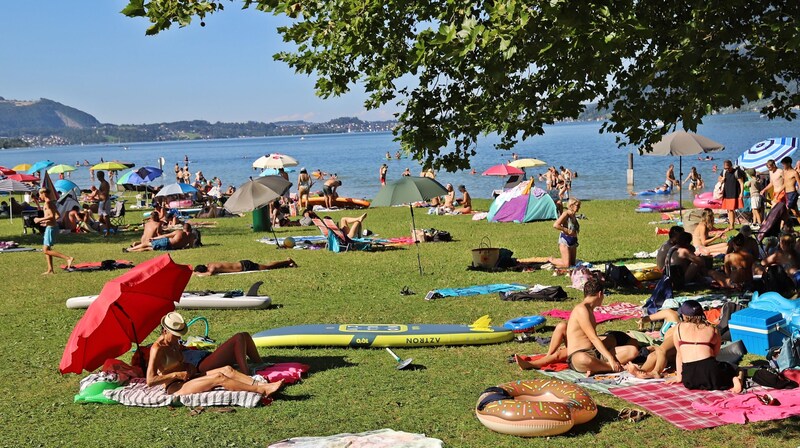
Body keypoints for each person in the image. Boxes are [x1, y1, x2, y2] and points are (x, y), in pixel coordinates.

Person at [144, 312, 283, 396]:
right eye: (175, 335)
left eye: (179, 335)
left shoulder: (175, 344)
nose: (178, 338)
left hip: (188, 376)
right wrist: (176, 375)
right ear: (164, 331)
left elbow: (179, 362)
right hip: (175, 386)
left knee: (227, 369)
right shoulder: (157, 349)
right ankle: (261, 390)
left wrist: (188, 367)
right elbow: (150, 381)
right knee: (219, 377)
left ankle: (260, 384)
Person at [668, 300, 745, 393]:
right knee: (736, 368)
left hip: (689, 378)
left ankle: (734, 378)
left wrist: (679, 377)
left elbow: (679, 355)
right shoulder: (712, 329)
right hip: (711, 373)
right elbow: (715, 354)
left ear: (684, 315)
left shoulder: (678, 328)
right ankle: (737, 379)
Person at [565, 279, 638, 375]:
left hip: (596, 353)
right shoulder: (581, 309)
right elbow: (593, 338)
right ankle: (610, 367)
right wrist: (611, 359)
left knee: (632, 351)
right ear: (600, 294)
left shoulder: (589, 309)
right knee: (583, 359)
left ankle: (598, 368)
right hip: (579, 354)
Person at [33, 189, 73, 274]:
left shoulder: (48, 203)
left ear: (43, 193)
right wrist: (45, 222)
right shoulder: (51, 203)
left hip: (51, 228)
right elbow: (57, 216)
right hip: (51, 226)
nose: (39, 196)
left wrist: (39, 219)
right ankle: (50, 270)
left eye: (40, 194)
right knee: (47, 249)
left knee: (45, 250)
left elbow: (51, 216)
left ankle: (68, 258)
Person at [548, 198, 581, 268]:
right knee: (567, 265)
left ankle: (562, 260)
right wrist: (567, 230)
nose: (579, 207)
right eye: (577, 206)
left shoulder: (573, 215)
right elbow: (556, 225)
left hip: (573, 241)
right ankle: (551, 260)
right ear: (571, 205)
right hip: (565, 240)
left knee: (572, 263)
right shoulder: (566, 214)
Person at [125, 223, 195, 252]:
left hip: (166, 243)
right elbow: (190, 246)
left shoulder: (179, 232)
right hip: (172, 248)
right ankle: (133, 250)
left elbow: (165, 236)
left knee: (146, 243)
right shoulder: (191, 236)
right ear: (190, 229)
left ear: (183, 228)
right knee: (148, 249)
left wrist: (154, 238)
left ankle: (130, 249)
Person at [193, 259, 298, 276]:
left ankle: (288, 261)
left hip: (245, 266)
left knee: (268, 267)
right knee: (267, 266)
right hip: (243, 264)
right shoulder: (210, 264)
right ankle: (288, 264)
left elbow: (210, 274)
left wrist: (198, 274)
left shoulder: (212, 269)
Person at [96, 171, 112, 236]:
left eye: (98, 176)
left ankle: (108, 232)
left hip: (105, 202)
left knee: (106, 217)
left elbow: (106, 194)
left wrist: (104, 204)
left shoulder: (105, 184)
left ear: (101, 176)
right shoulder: (102, 183)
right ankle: (112, 227)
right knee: (100, 218)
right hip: (101, 202)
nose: (97, 177)